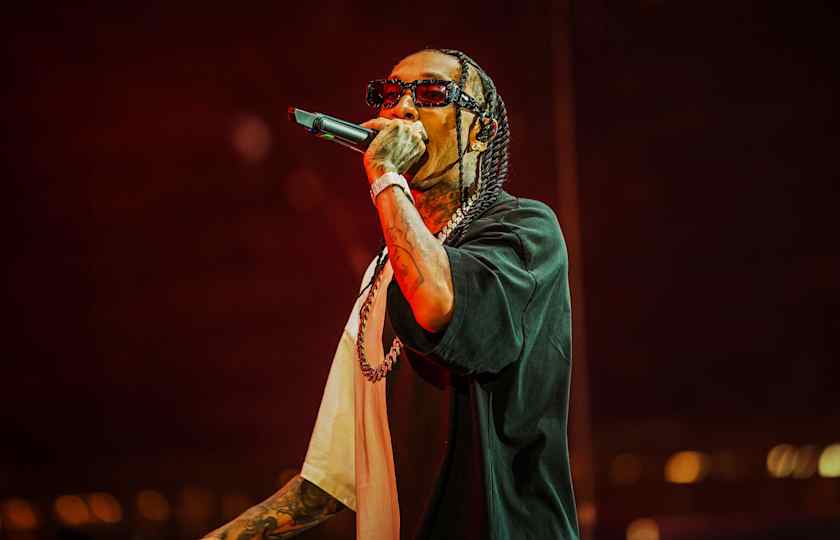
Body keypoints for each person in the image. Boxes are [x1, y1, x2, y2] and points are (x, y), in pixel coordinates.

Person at [203, 48, 579, 540]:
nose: (402, 108)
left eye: (431, 94)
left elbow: (438, 305)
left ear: (481, 133)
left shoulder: (525, 231)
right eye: (389, 93)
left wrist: (385, 176)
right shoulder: (383, 274)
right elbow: (328, 483)